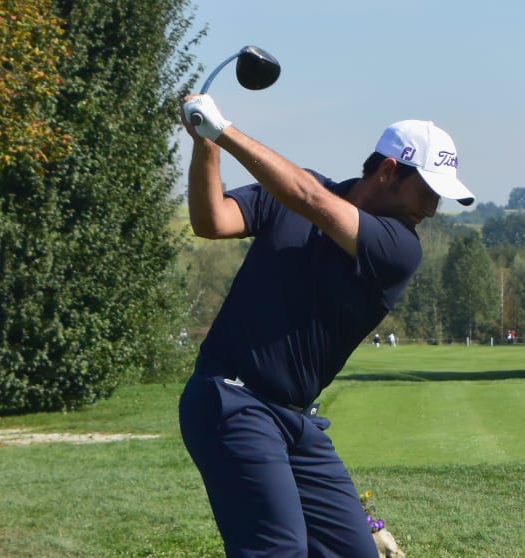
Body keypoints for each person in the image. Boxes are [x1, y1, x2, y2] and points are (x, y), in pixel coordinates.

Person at [177, 93, 475, 557]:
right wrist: (205, 144)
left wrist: (223, 129)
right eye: (429, 189)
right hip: (230, 399)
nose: (434, 207)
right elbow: (210, 219)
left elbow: (308, 198)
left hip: (295, 420)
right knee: (278, 549)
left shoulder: (400, 247)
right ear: (389, 171)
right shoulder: (292, 196)